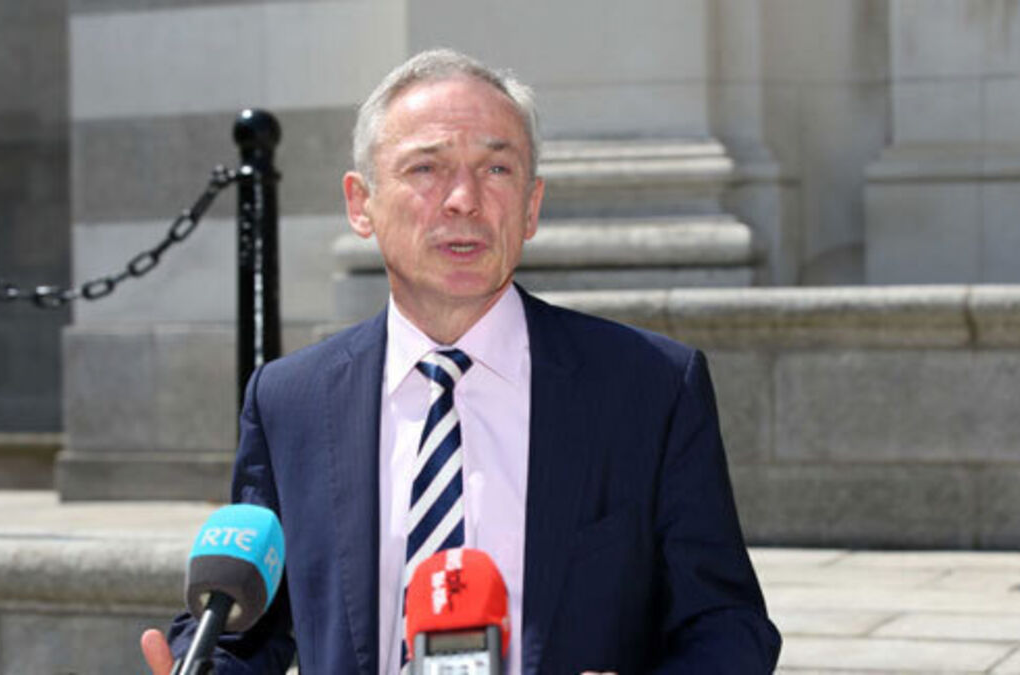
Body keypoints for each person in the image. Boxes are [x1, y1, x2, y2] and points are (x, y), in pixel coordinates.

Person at [141, 48, 780, 675]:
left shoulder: (650, 388)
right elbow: (247, 630)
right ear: (360, 204)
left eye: (497, 169)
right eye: (426, 168)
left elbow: (728, 627)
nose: (463, 199)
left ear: (531, 206)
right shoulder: (290, 400)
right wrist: (201, 663)